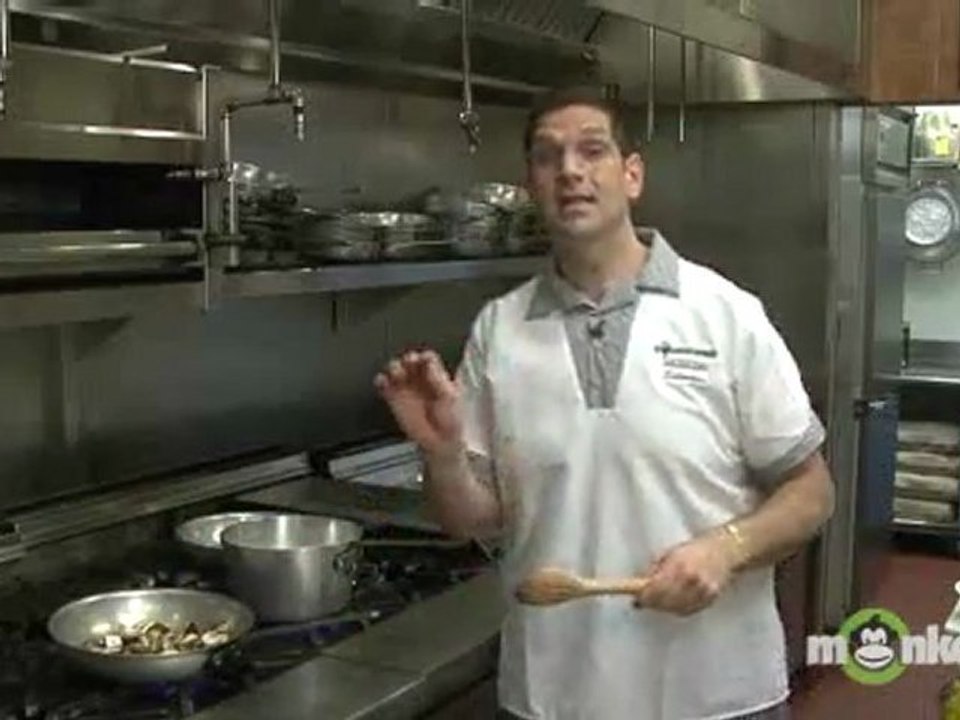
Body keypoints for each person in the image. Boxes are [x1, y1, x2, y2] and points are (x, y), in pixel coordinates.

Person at [374, 86, 835, 720]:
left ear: (632, 174)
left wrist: (725, 548)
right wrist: (444, 455)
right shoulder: (500, 330)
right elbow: (475, 521)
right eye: (547, 156)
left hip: (717, 694)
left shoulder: (724, 313)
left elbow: (812, 493)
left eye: (593, 150)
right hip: (555, 695)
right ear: (532, 184)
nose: (570, 170)